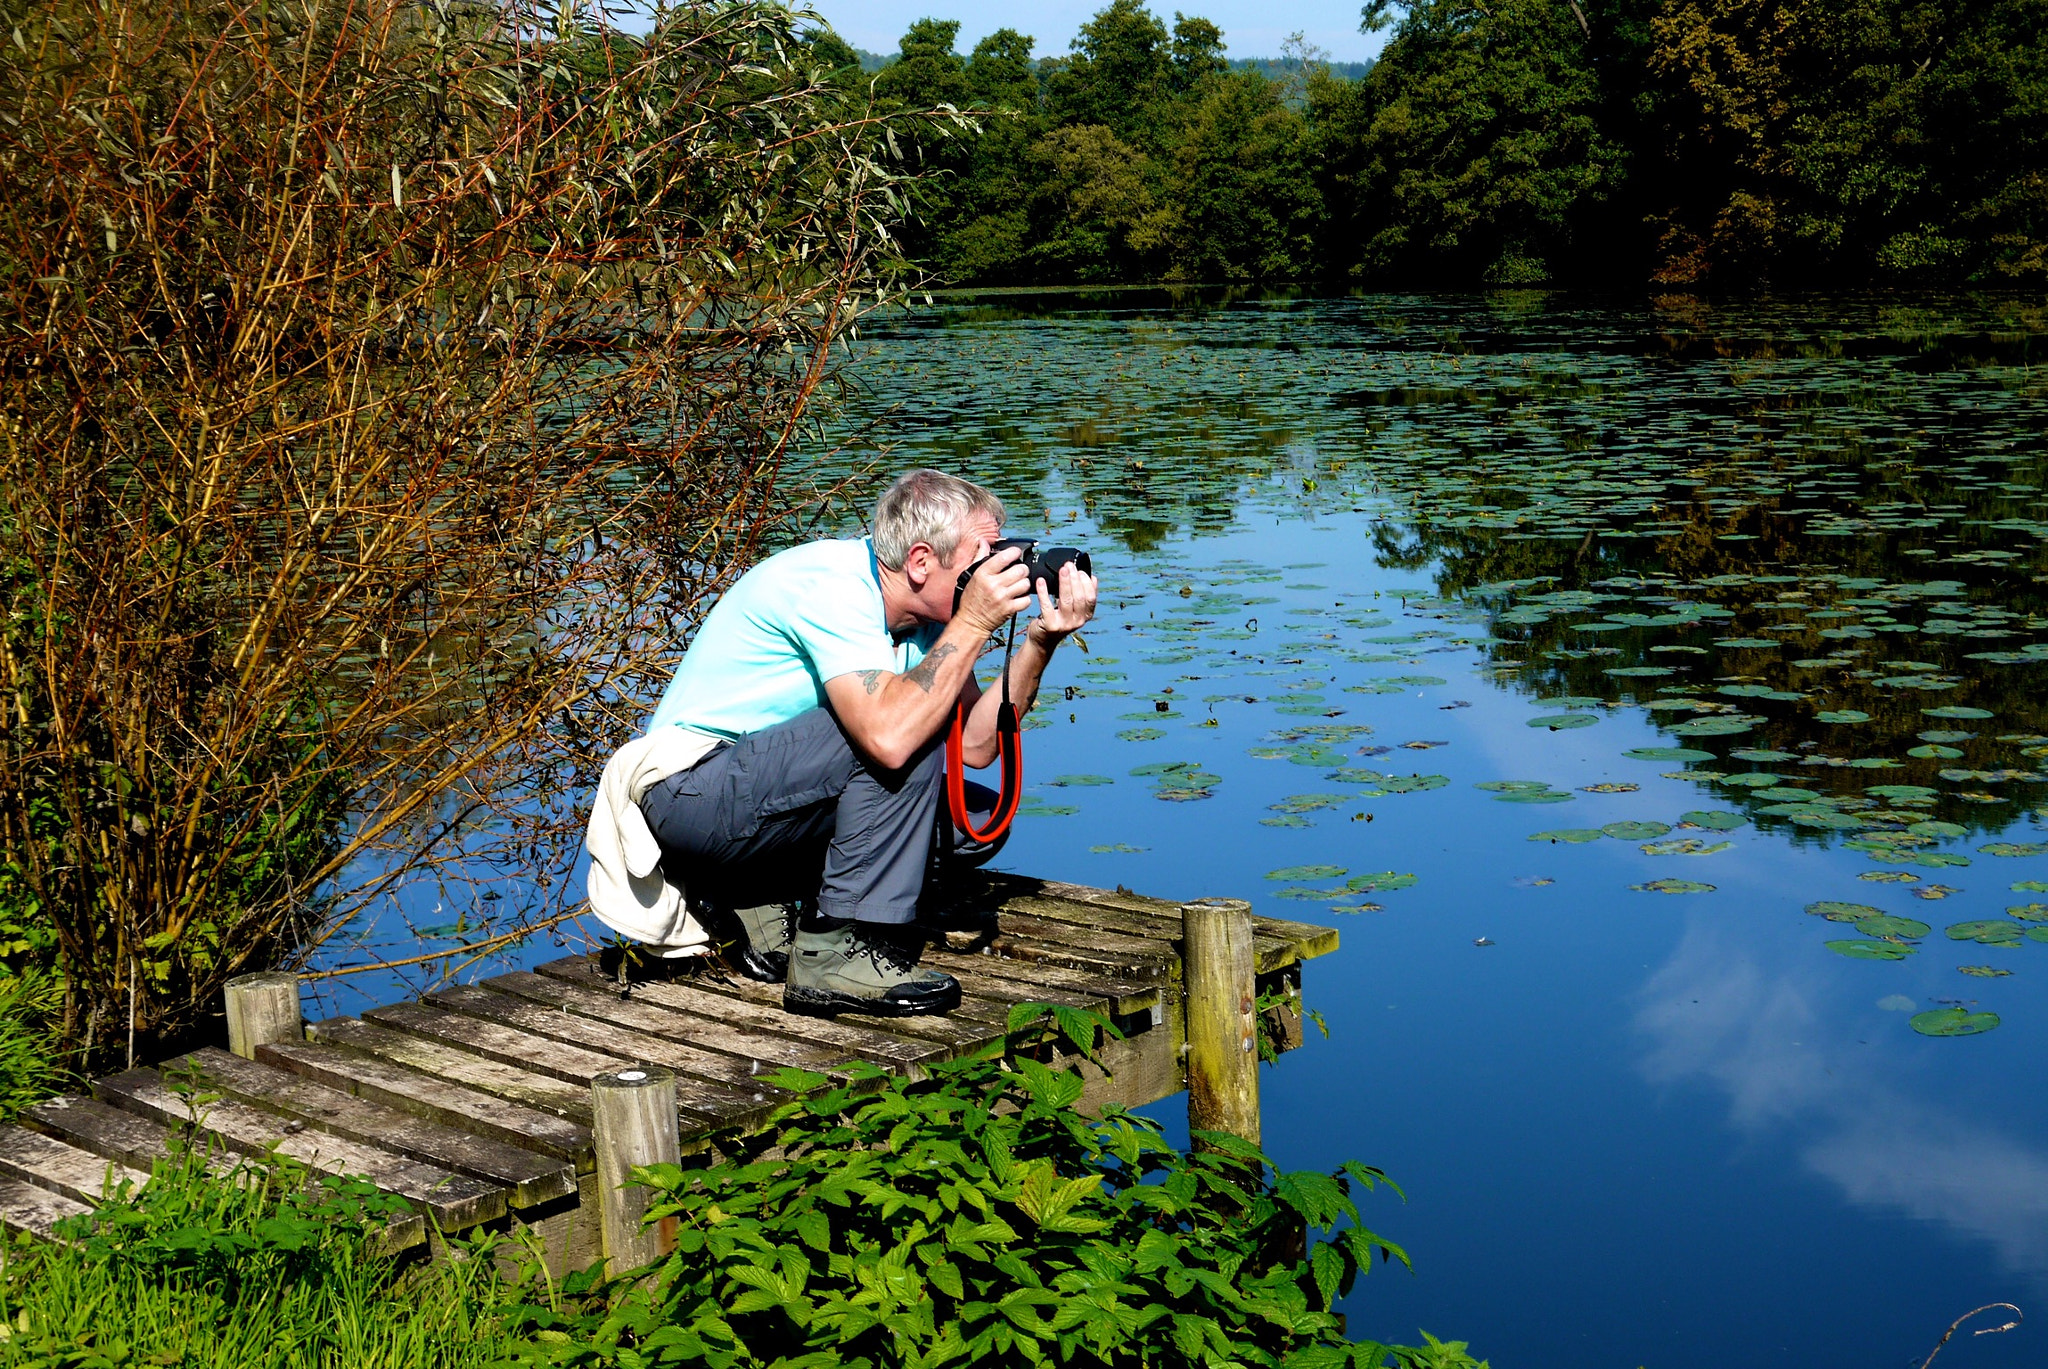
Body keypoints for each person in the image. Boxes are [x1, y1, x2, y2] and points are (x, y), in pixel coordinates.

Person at [586, 469, 1098, 1017]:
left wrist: (1040, 642)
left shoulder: (930, 615)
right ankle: (831, 957)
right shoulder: (830, 585)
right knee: (900, 733)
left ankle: (756, 898)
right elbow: (891, 737)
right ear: (921, 562)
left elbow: (976, 746)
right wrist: (973, 621)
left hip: (764, 794)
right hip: (690, 794)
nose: (998, 571)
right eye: (985, 555)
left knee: (968, 822)